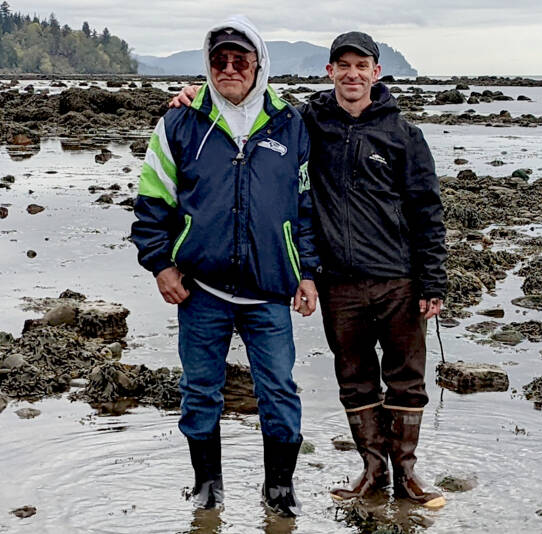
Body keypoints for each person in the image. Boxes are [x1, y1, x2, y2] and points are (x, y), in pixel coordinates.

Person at [169, 31, 447, 510]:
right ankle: (372, 473)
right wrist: (196, 95)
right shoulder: (305, 122)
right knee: (354, 378)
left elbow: (427, 210)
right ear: (330, 72)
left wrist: (432, 279)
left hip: (398, 278)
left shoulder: (404, 135)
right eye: (344, 66)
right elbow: (249, 103)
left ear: (376, 73)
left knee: (406, 378)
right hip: (338, 280)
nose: (353, 75)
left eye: (362, 66)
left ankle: (406, 474)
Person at [131, 15, 318, 518]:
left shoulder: (290, 124)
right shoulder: (179, 123)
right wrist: (160, 265)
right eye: (220, 60)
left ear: (259, 65)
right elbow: (152, 202)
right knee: (199, 391)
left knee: (279, 390)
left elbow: (305, 208)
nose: (230, 68)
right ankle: (207, 486)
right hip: (201, 289)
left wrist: (307, 272)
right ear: (208, 64)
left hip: (269, 291)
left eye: (241, 59)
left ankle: (280, 488)